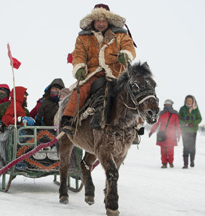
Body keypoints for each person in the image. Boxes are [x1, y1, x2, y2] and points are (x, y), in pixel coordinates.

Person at [60, 3, 136, 135]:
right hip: (94, 72)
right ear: (93, 21)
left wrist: (126, 54)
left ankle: (136, 124)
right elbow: (78, 54)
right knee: (81, 89)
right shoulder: (83, 37)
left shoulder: (120, 35)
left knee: (133, 90)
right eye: (98, 20)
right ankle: (68, 120)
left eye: (104, 20)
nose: (101, 23)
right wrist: (79, 67)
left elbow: (129, 47)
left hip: (117, 71)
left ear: (109, 21)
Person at [149, 99, 181, 168]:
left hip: (171, 135)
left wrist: (178, 134)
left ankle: (171, 162)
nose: (167, 106)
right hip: (162, 134)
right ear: (164, 105)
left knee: (170, 150)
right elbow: (157, 123)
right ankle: (164, 163)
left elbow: (177, 125)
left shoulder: (175, 114)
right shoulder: (161, 114)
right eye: (166, 104)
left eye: (169, 104)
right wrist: (152, 131)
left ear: (171, 105)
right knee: (163, 150)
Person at [179, 95, 202, 169]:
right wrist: (184, 123)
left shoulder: (196, 109)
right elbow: (179, 119)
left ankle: (192, 161)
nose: (189, 102)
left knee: (192, 147)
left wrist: (194, 123)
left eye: (190, 100)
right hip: (185, 130)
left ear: (193, 101)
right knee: (185, 147)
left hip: (193, 130)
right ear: (185, 101)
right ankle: (185, 164)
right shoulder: (182, 109)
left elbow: (199, 118)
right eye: (187, 100)